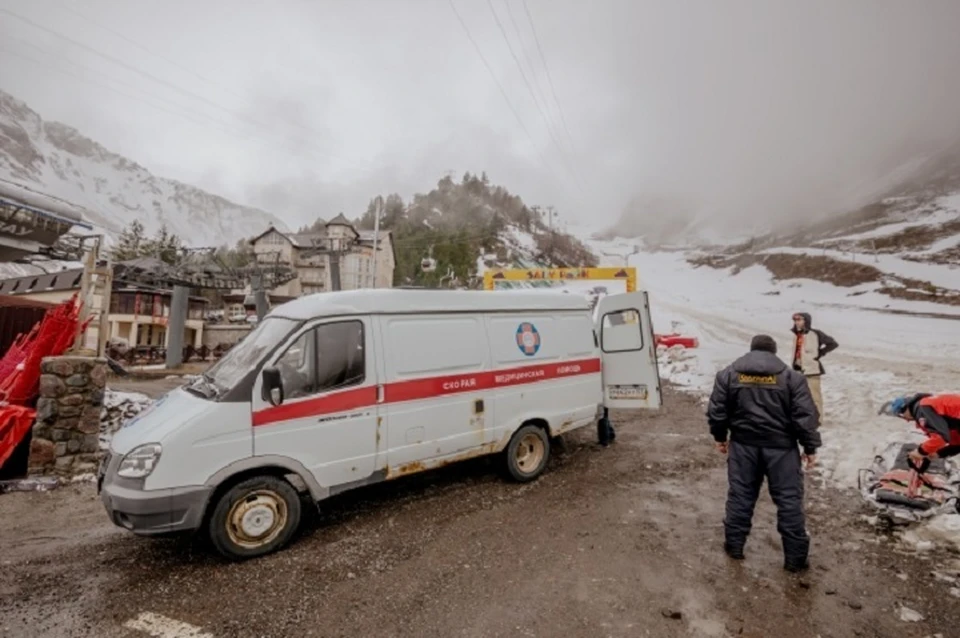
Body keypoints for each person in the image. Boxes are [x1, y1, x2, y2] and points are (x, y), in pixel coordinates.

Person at [707, 334, 821, 573]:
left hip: (743, 446)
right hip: (782, 449)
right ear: (774, 352)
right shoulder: (792, 378)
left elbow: (717, 411)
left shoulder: (728, 375)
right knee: (789, 501)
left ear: (751, 350)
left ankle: (734, 546)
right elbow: (805, 417)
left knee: (741, 495)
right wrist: (810, 447)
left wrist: (720, 437)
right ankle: (795, 559)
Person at [880, 393, 960, 466]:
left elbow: (940, 437)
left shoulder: (922, 408)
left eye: (902, 416)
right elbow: (957, 442)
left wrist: (920, 452)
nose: (906, 420)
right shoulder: (930, 405)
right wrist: (939, 453)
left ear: (905, 409)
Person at [790, 312, 838, 421]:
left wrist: (819, 353)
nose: (797, 322)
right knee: (798, 397)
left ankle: (818, 419)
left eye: (799, 320)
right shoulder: (796, 335)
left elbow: (833, 343)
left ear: (806, 320)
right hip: (797, 370)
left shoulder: (815, 334)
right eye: (795, 320)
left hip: (812, 370)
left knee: (815, 396)